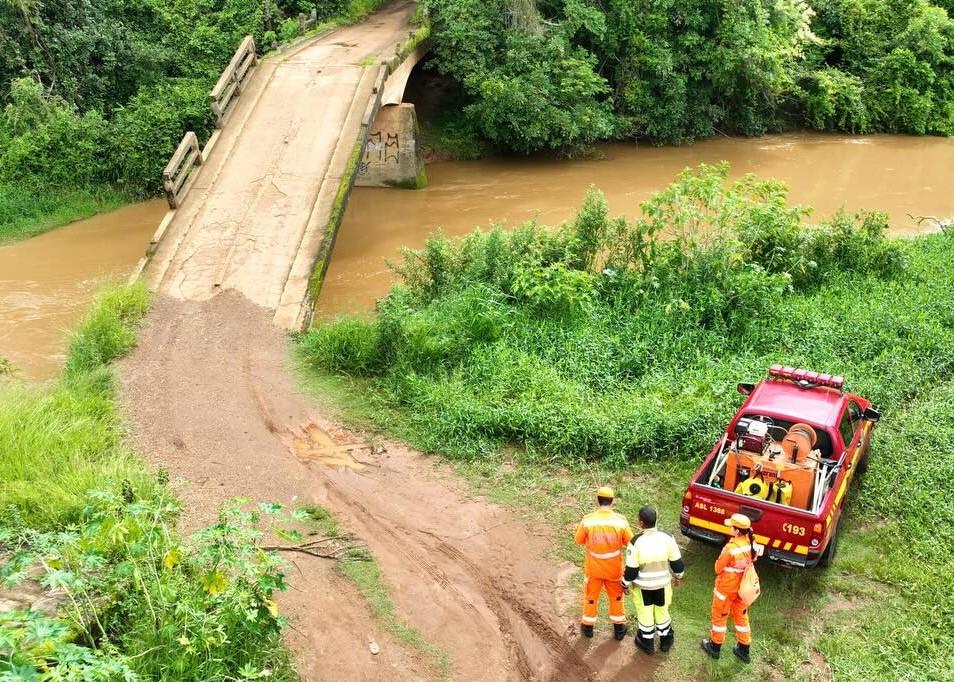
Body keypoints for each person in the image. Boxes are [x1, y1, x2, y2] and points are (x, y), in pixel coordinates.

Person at [622, 505, 685, 655]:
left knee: (645, 614)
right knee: (662, 612)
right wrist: (678, 576)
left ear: (641, 523)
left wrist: (624, 584)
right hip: (662, 585)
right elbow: (677, 564)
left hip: (643, 588)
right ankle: (666, 641)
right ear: (656, 520)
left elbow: (631, 571)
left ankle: (647, 643)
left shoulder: (635, 542)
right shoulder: (668, 537)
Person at [574, 486, 634, 640]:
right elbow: (630, 542)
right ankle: (619, 629)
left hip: (593, 569)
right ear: (613, 501)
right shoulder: (621, 522)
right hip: (614, 570)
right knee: (616, 598)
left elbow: (578, 540)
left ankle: (588, 627)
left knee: (591, 597)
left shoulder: (588, 521)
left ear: (597, 500)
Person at [701, 513, 762, 664]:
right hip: (743, 588)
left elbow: (717, 568)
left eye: (731, 527)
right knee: (741, 616)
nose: (729, 529)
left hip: (727, 588)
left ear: (737, 531)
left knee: (720, 616)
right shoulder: (752, 543)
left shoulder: (730, 548)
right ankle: (744, 648)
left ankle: (714, 647)